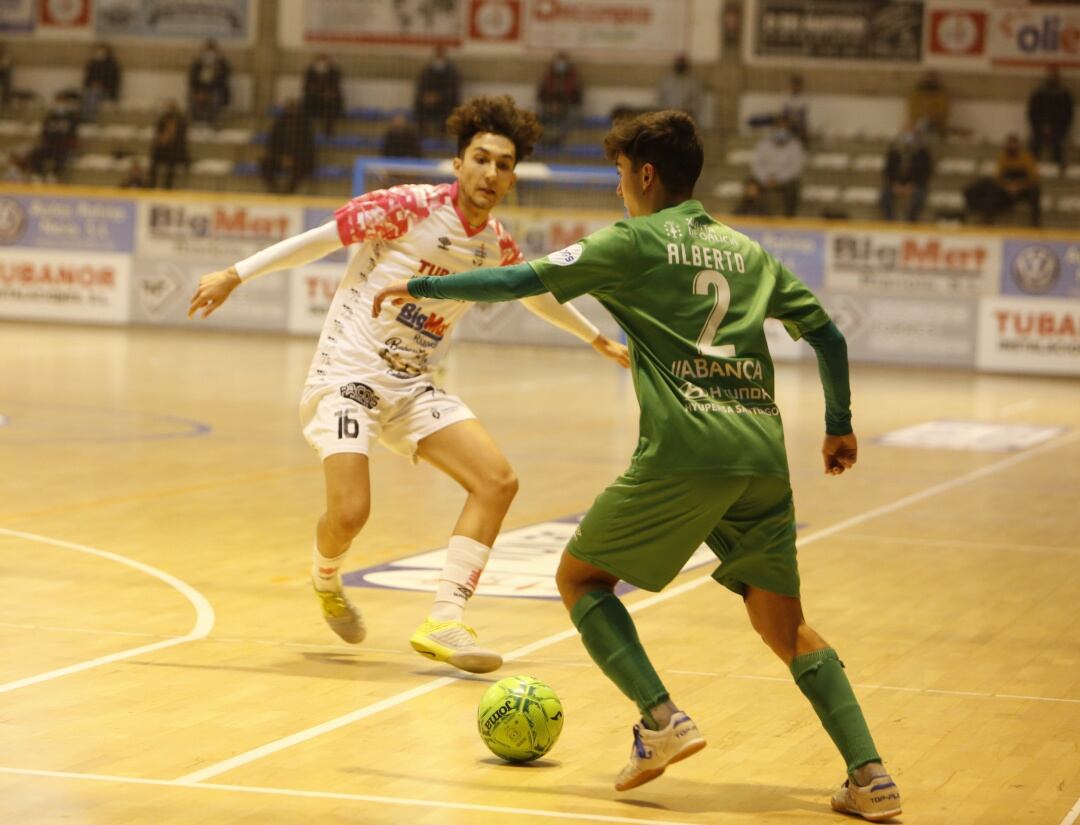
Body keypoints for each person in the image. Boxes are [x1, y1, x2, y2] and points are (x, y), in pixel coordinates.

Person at [372, 109, 902, 823]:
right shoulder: (749, 253)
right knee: (786, 626)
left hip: (687, 452)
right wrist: (838, 426)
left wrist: (424, 289)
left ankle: (661, 719)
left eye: (622, 177)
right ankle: (869, 775)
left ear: (646, 175)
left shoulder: (631, 242)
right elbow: (829, 337)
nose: (620, 192)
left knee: (580, 578)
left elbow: (520, 277)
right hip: (761, 457)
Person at [187, 96, 629, 675]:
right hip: (348, 376)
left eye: (503, 164)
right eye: (481, 159)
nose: (491, 172)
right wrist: (234, 274)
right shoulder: (406, 208)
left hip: (415, 387)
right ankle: (324, 575)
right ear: (457, 164)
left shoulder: (495, 241)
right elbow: (322, 238)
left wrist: (595, 337)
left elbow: (534, 290)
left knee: (497, 482)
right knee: (349, 514)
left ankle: (446, 617)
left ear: (512, 177)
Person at [751, 115, 805, 217]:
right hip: (765, 179)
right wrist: (765, 179)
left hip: (785, 181)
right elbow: (757, 164)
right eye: (779, 127)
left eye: (784, 128)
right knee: (751, 187)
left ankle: (788, 218)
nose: (781, 131)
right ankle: (757, 217)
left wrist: (778, 180)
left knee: (793, 187)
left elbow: (795, 169)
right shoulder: (763, 144)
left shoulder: (795, 146)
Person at [261, 98, 315, 194]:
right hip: (279, 158)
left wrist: (293, 158)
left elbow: (307, 147)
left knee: (303, 166)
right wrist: (281, 157)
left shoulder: (304, 126)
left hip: (299, 159)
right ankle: (273, 189)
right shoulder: (279, 124)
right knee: (265, 163)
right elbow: (272, 144)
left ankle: (290, 190)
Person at [879, 125, 933, 222]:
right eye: (905, 134)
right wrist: (894, 184)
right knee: (884, 196)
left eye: (911, 134)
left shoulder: (923, 153)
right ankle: (890, 221)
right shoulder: (894, 152)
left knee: (919, 197)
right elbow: (887, 171)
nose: (908, 137)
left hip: (916, 184)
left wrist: (913, 186)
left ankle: (910, 221)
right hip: (895, 184)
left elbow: (926, 172)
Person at [1027, 65, 1073, 172]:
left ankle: (1061, 169)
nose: (1052, 78)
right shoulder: (1039, 94)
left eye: (1054, 75)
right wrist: (1042, 126)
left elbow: (1067, 115)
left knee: (1059, 144)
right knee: (1034, 143)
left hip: (1058, 130)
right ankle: (1030, 167)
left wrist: (1055, 127)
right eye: (1050, 75)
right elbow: (1033, 113)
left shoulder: (1064, 95)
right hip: (1039, 128)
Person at [27, 92, 79, 182]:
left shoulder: (71, 117)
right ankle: (38, 174)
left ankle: (53, 175)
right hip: (49, 144)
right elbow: (44, 131)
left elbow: (73, 134)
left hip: (63, 146)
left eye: (63, 101)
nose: (60, 104)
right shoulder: (50, 116)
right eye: (58, 101)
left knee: (62, 156)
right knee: (35, 153)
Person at [537, 51, 583, 149]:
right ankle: (543, 141)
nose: (561, 65)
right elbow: (541, 95)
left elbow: (578, 98)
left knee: (573, 116)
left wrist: (563, 106)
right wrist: (551, 106)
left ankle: (560, 140)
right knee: (537, 115)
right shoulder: (548, 77)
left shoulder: (574, 78)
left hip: (567, 108)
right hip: (549, 108)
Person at [413, 46, 460, 138]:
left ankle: (442, 133)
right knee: (419, 105)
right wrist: (426, 97)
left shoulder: (452, 72)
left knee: (449, 108)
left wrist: (438, 97)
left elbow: (453, 90)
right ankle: (422, 132)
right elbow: (421, 87)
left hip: (445, 102)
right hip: (428, 102)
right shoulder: (427, 71)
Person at [188, 39, 230, 127]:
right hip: (200, 91)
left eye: (212, 52)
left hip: (215, 91)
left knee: (216, 98)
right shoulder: (197, 64)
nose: (209, 55)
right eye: (207, 52)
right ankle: (197, 121)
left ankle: (211, 122)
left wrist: (217, 69)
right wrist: (198, 92)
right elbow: (192, 80)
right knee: (191, 97)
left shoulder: (221, 65)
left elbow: (223, 81)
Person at [148, 100, 189, 189]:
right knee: (155, 155)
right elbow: (157, 137)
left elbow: (181, 142)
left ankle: (167, 185)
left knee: (172, 157)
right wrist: (162, 140)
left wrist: (171, 137)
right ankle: (151, 183)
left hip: (176, 152)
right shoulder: (162, 121)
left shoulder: (181, 123)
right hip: (164, 150)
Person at [303, 53, 344, 136]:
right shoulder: (310, 72)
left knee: (330, 103)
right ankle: (307, 129)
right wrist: (315, 91)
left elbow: (336, 88)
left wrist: (328, 92)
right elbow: (306, 88)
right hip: (314, 100)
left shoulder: (334, 72)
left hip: (329, 101)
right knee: (307, 102)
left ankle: (328, 129)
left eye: (324, 60)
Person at [656, 54, 703, 124]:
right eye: (678, 63)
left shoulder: (693, 82)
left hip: (686, 117)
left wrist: (686, 110)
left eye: (682, 63)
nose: (680, 65)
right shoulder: (666, 81)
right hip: (668, 116)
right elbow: (660, 99)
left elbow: (697, 101)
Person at [81, 43, 121, 123]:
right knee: (88, 94)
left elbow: (114, 82)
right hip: (92, 89)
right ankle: (84, 116)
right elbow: (86, 81)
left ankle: (88, 118)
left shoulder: (112, 66)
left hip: (107, 91)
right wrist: (92, 84)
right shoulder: (92, 65)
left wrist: (101, 85)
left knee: (94, 94)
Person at [907, 70, 949, 141]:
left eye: (933, 79)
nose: (930, 81)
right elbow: (913, 111)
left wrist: (931, 117)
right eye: (928, 79)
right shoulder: (916, 95)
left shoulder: (942, 95)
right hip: (918, 124)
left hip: (935, 124)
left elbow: (942, 112)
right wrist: (921, 117)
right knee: (912, 132)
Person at [779, 73, 809, 146]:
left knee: (802, 132)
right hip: (787, 124)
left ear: (800, 87)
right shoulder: (785, 97)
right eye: (793, 85)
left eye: (797, 85)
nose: (795, 87)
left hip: (798, 125)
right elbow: (784, 114)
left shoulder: (804, 99)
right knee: (782, 131)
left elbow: (803, 117)